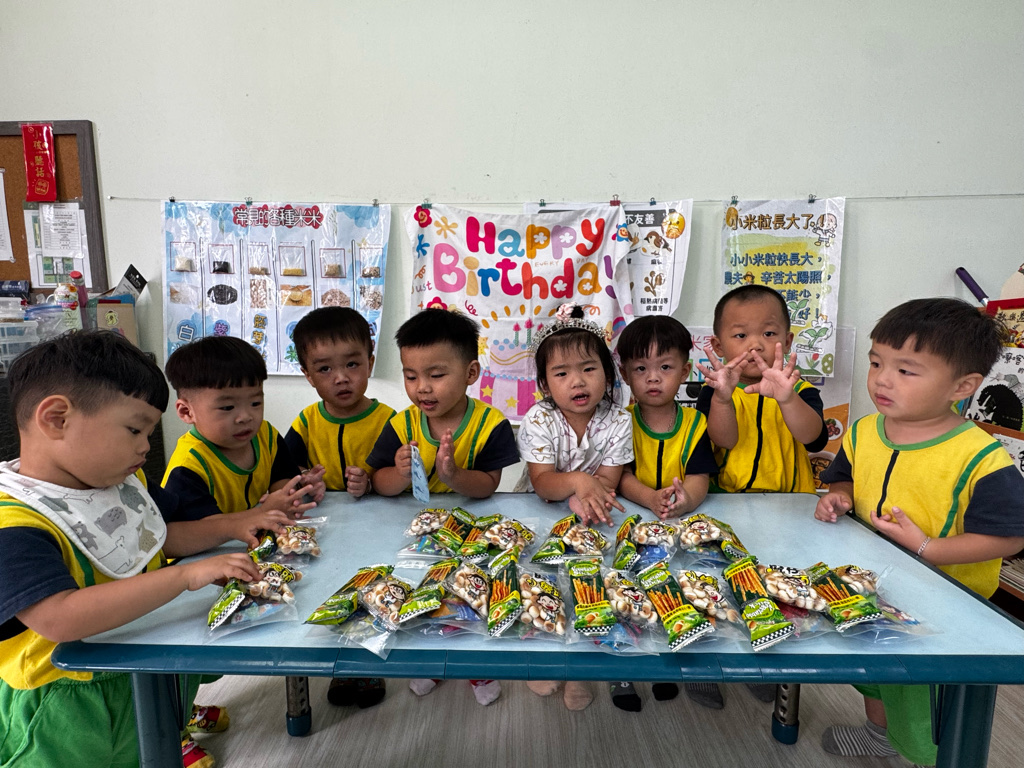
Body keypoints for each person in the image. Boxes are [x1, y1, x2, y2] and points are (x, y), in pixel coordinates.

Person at [0, 331, 263, 768]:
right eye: (135, 429)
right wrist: (183, 575)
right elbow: (59, 617)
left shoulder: (123, 482)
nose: (145, 446)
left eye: (149, 432)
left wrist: (232, 526)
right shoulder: (16, 521)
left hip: (144, 661)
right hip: (70, 703)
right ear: (57, 419)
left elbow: (159, 534)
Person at [815, 297, 1024, 766]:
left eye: (906, 370)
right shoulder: (864, 430)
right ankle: (877, 735)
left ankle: (924, 756)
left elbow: (1010, 537)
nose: (882, 380)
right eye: (876, 363)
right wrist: (839, 497)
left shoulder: (980, 458)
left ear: (962, 386)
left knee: (918, 704)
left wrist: (929, 547)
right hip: (871, 587)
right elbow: (843, 478)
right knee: (873, 674)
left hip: (941, 610)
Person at [366, 308, 520, 705]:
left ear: (471, 373)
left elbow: (487, 486)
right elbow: (380, 484)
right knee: (420, 597)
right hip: (414, 534)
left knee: (468, 600)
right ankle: (431, 662)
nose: (422, 388)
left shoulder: (491, 424)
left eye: (436, 375)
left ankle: (474, 668)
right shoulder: (401, 425)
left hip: (472, 533)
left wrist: (453, 475)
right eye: (410, 376)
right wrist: (398, 473)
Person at [694, 284, 828, 709]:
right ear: (718, 345)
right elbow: (724, 440)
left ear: (787, 340)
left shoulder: (798, 389)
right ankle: (706, 665)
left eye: (769, 334)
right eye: (740, 335)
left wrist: (786, 397)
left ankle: (764, 665)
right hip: (728, 509)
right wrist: (722, 396)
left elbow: (812, 437)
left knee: (778, 593)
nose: (755, 345)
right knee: (720, 588)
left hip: (790, 511)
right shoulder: (716, 389)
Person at [515, 303, 634, 711]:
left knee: (589, 587)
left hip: (595, 515)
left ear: (607, 374)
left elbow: (610, 482)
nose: (577, 381)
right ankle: (547, 658)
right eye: (562, 373)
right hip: (541, 514)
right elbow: (543, 482)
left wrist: (583, 492)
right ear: (545, 385)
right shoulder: (539, 418)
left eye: (588, 368)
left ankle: (580, 667)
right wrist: (578, 483)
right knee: (543, 585)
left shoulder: (618, 419)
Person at [285, 306, 396, 709]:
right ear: (308, 375)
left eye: (352, 363)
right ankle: (338, 665)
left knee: (370, 592)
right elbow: (284, 474)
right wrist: (303, 481)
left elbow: (399, 478)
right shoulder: (306, 422)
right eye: (325, 369)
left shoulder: (389, 420)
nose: (341, 377)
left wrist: (372, 482)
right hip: (326, 530)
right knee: (328, 591)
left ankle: (366, 668)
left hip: (376, 527)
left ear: (370, 361)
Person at [614, 315, 718, 711]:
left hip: (678, 528)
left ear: (685, 371)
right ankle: (621, 670)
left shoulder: (696, 423)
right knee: (624, 596)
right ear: (625, 373)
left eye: (665, 367)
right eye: (641, 369)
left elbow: (699, 477)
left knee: (671, 595)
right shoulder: (619, 422)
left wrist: (684, 500)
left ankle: (663, 661)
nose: (653, 378)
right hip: (628, 526)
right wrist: (650, 498)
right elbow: (620, 476)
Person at [162, 336, 325, 524]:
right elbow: (203, 530)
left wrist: (289, 495)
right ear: (187, 412)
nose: (246, 417)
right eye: (227, 407)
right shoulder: (188, 468)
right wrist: (263, 513)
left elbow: (282, 477)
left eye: (255, 403)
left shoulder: (265, 435)